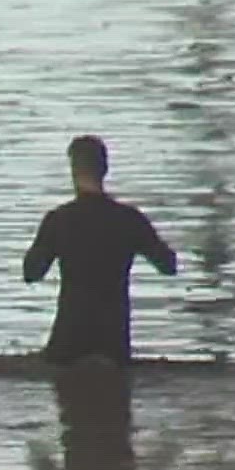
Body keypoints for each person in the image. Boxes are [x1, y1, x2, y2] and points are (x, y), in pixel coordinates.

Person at [22, 134, 179, 366]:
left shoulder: (59, 220)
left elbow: (31, 273)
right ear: (105, 169)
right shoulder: (130, 219)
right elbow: (169, 266)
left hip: (70, 338)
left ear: (73, 171)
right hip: (113, 340)